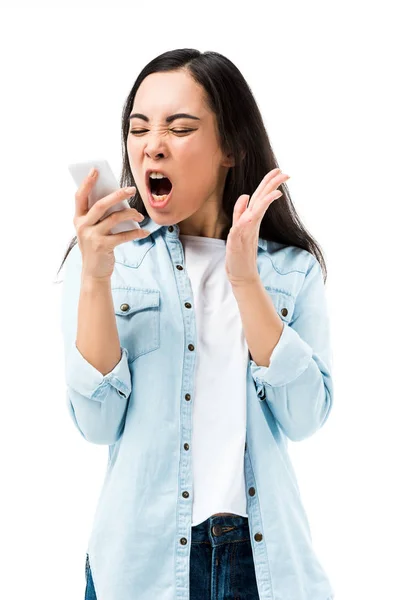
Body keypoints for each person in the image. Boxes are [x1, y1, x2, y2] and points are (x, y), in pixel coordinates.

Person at [58, 48, 335, 600]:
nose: (152, 144)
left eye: (179, 128)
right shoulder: (107, 263)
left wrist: (244, 280)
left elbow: (305, 417)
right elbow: (96, 423)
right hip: (139, 566)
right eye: (138, 129)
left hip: (262, 566)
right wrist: (94, 277)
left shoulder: (289, 270)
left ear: (230, 146)